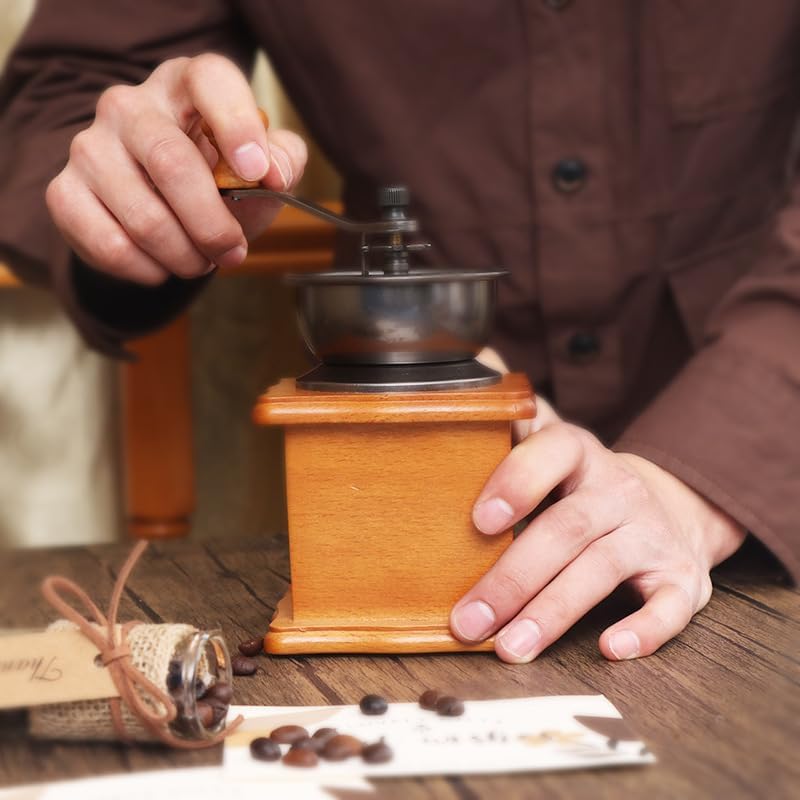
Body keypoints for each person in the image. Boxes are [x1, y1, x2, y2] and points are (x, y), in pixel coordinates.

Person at [0, 1, 797, 665]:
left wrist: (699, 479)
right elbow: (63, 97)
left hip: (767, 509)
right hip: (390, 403)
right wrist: (137, 188)